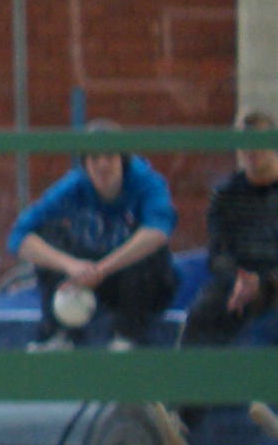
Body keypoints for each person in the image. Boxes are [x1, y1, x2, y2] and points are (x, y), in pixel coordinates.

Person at [182, 116, 278, 438]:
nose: (251, 152)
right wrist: (238, 279)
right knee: (204, 311)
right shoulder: (226, 193)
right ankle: (183, 416)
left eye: (259, 144)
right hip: (241, 282)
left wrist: (267, 281)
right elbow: (217, 253)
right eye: (245, 146)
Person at [9, 138, 176, 348]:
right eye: (94, 158)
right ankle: (59, 334)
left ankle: (129, 338)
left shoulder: (147, 183)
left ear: (123, 161)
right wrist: (71, 266)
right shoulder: (74, 186)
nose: (102, 165)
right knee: (49, 236)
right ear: (85, 164)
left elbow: (158, 232)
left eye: (110, 157)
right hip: (84, 281)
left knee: (149, 252)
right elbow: (19, 236)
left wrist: (102, 269)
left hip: (136, 284)